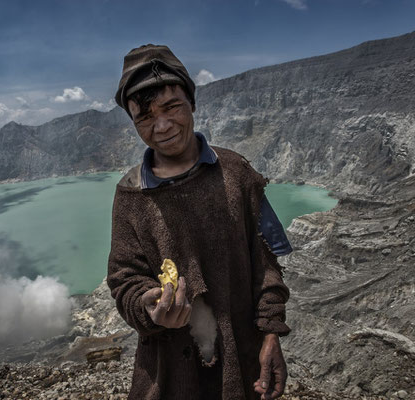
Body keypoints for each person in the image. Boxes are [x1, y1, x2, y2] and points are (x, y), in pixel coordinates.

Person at [107, 44, 291, 400]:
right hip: (170, 373)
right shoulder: (131, 195)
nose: (161, 126)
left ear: (191, 101)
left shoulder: (237, 173)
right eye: (144, 117)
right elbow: (123, 279)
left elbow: (266, 262)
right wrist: (150, 306)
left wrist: (271, 333)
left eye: (171, 107)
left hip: (244, 361)